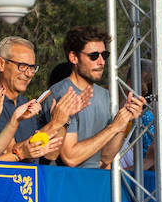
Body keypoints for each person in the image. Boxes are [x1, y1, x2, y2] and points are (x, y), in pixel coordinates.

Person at [44, 25, 145, 168]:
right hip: (65, 184)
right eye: (93, 56)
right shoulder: (61, 94)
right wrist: (112, 128)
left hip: (97, 182)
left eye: (104, 55)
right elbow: (70, 158)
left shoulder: (104, 95)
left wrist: (122, 123)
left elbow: (105, 158)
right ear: (74, 57)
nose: (101, 61)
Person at [0, 36, 82, 155]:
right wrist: (54, 124)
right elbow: (9, 151)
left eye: (32, 68)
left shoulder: (25, 104)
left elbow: (50, 155)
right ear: (1, 64)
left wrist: (63, 121)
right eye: (22, 66)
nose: (29, 74)